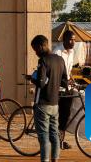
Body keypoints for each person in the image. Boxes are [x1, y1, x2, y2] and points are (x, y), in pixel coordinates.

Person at [31, 34, 67, 162]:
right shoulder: (60, 60)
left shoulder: (43, 61)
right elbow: (64, 82)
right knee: (54, 134)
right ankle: (55, 159)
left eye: (35, 49)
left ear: (42, 46)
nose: (35, 53)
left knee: (44, 137)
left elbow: (40, 83)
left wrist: (32, 78)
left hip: (42, 104)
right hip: (55, 104)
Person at [53, 30, 78, 151]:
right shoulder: (57, 52)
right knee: (56, 116)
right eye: (71, 39)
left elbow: (69, 70)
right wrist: (64, 81)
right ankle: (54, 141)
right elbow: (54, 72)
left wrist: (73, 80)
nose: (73, 42)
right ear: (64, 40)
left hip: (67, 88)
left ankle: (61, 140)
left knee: (65, 115)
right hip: (57, 88)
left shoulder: (71, 52)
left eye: (74, 40)